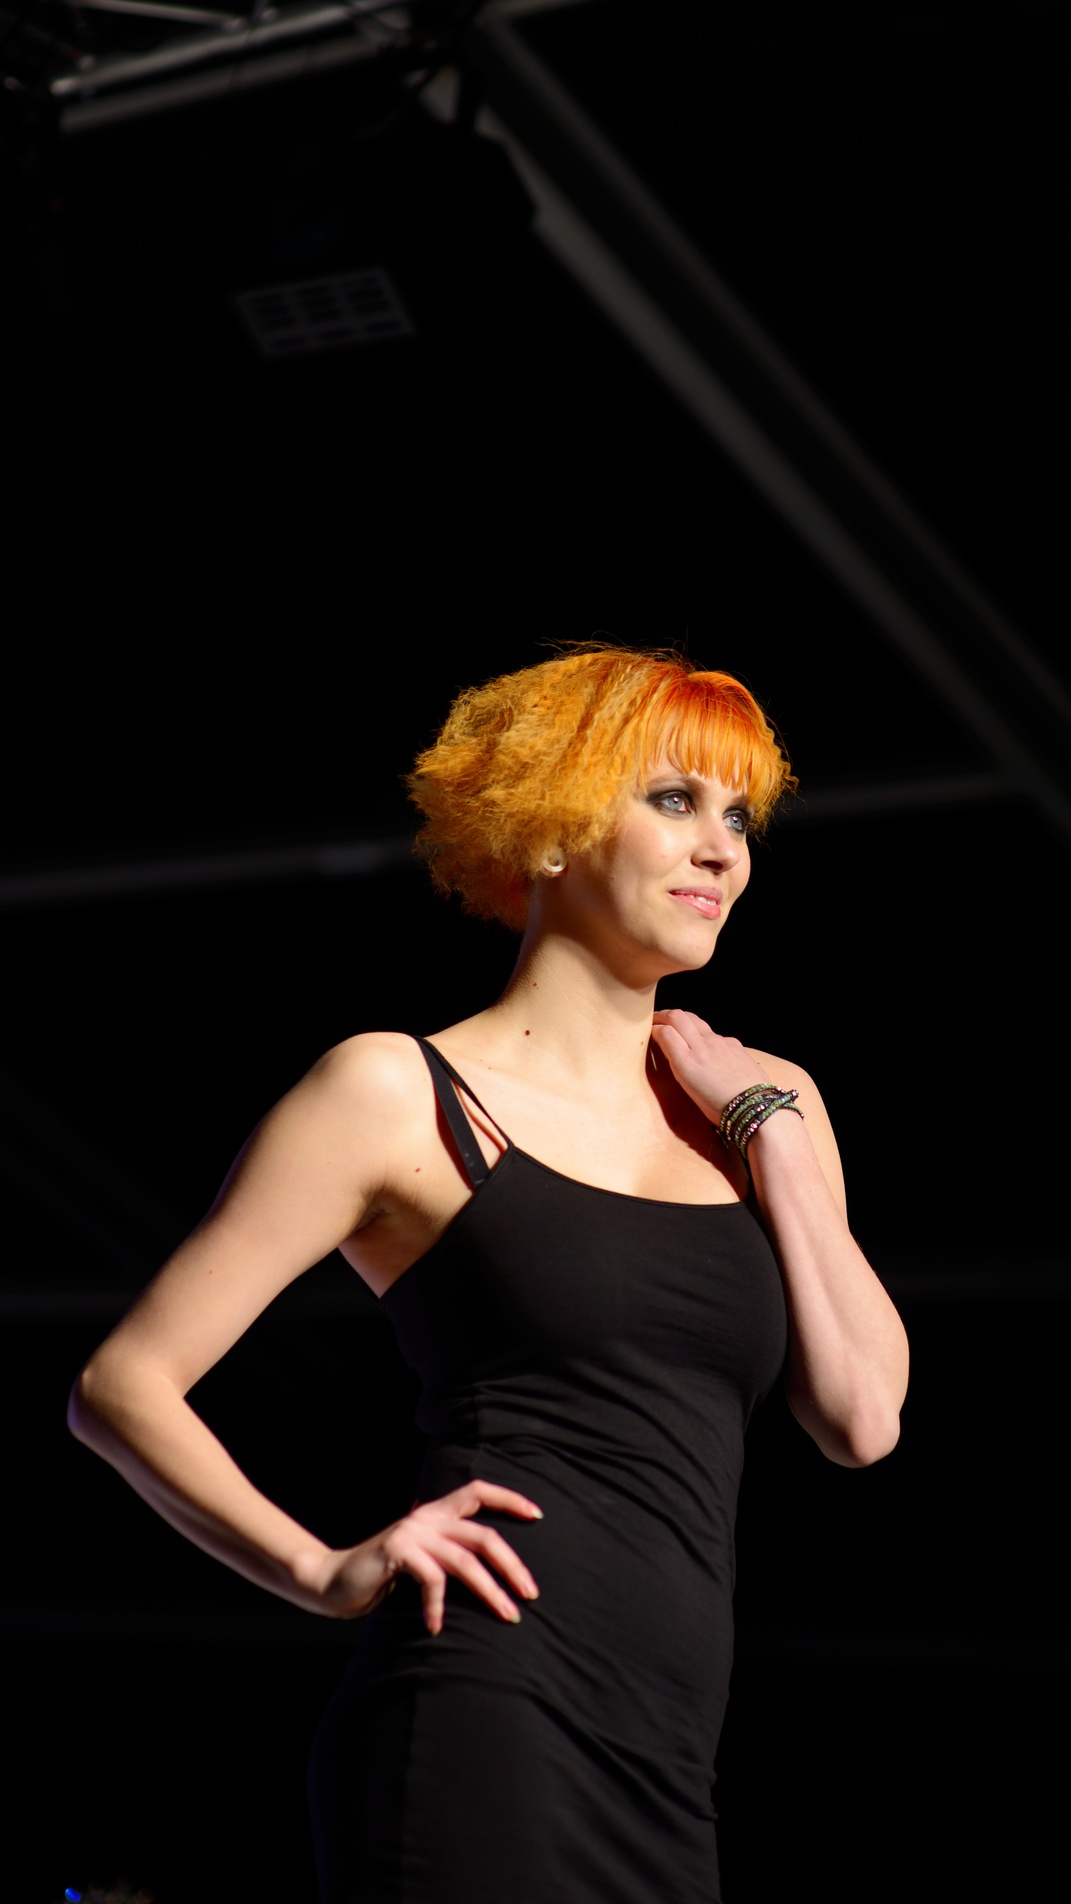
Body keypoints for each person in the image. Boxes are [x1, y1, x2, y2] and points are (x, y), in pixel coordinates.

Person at [69, 645, 909, 1903]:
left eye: (739, 817)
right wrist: (320, 1568)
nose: (721, 849)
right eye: (674, 799)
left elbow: (860, 1416)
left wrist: (772, 1132)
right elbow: (122, 1384)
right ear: (551, 828)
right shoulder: (396, 1090)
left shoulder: (764, 1103)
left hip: (668, 1752)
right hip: (485, 1702)